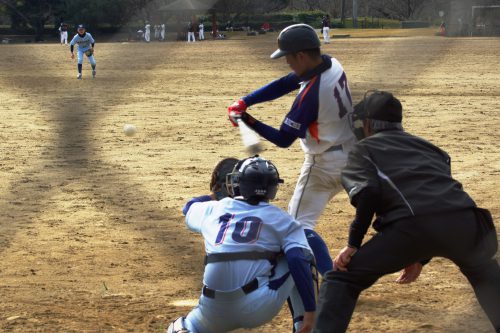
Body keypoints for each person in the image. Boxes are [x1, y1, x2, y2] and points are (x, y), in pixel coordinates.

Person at [313, 91, 500, 333]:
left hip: (413, 226)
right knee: (484, 272)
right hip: (467, 222)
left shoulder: (364, 150)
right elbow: (438, 198)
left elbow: (368, 193)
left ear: (367, 124)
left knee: (342, 279)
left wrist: (353, 244)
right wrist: (419, 255)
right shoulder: (431, 148)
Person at [227, 24, 356, 276]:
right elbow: (288, 82)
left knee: (295, 226)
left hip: (323, 166)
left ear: (301, 56)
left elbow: (283, 139)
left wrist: (247, 120)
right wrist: (246, 101)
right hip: (354, 156)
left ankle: (331, 282)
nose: (286, 62)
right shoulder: (331, 64)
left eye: (288, 57)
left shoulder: (311, 95)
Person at [167, 156, 316, 333]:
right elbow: (298, 259)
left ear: (237, 183)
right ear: (273, 188)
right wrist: (310, 310)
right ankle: (305, 326)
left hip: (212, 310)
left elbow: (189, 207)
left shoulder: (214, 209)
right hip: (258, 307)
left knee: (180, 326)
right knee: (300, 252)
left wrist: (214, 196)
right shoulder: (283, 220)